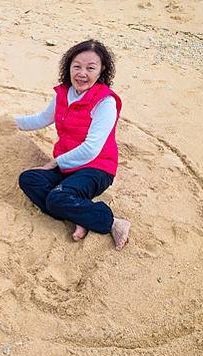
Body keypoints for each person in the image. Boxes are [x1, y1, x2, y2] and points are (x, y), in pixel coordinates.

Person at [13, 39, 130, 250]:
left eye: (90, 68)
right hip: (68, 167)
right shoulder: (64, 94)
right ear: (68, 66)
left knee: (57, 198)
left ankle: (111, 222)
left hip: (96, 168)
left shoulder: (106, 103)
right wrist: (8, 122)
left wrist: (55, 162)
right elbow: (40, 119)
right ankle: (80, 214)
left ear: (102, 70)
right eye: (77, 66)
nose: (82, 73)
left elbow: (91, 148)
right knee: (29, 179)